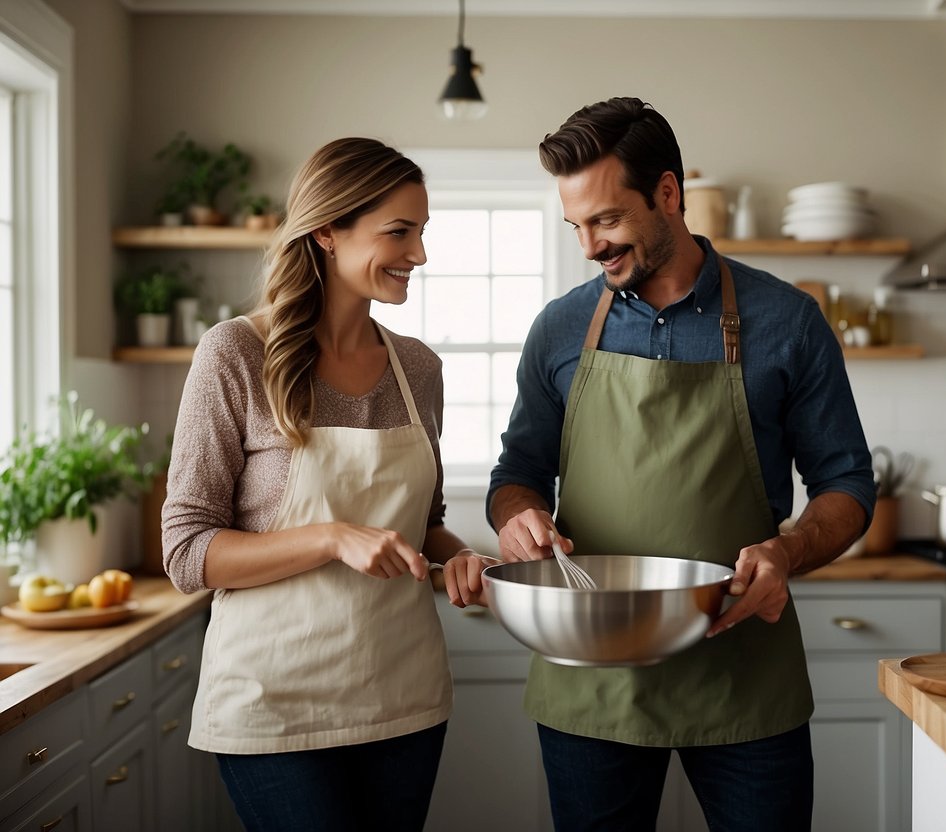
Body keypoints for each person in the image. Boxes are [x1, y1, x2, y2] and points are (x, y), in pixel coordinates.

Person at [483, 97, 876, 830]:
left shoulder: (787, 322)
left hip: (742, 673)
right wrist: (517, 519)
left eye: (605, 220)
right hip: (591, 679)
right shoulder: (560, 328)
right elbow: (517, 474)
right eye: (576, 226)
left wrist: (787, 551)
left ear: (668, 194)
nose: (589, 246)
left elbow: (847, 484)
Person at [161, 137, 487, 832]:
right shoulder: (236, 354)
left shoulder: (418, 369)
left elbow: (423, 522)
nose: (419, 254)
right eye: (398, 232)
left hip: (402, 694)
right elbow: (187, 555)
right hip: (273, 702)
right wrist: (330, 538)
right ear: (327, 232)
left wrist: (457, 554)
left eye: (421, 232)